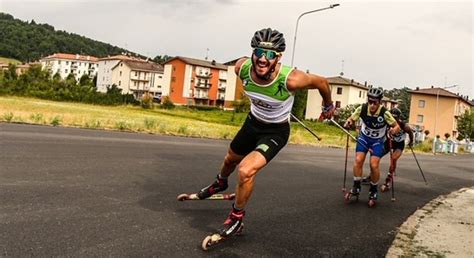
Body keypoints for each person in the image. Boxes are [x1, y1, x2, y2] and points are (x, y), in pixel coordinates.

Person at [195, 28, 335, 237]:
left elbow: (322, 82)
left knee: (246, 170)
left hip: (275, 131)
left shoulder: (292, 79)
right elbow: (244, 65)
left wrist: (328, 105)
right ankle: (220, 182)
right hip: (252, 123)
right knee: (229, 160)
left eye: (269, 55)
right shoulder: (241, 68)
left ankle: (236, 218)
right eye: (259, 52)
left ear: (278, 58)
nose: (262, 59)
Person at [343, 87, 400, 206]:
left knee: (374, 165)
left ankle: (373, 190)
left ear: (380, 102)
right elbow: (351, 119)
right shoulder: (362, 108)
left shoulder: (385, 113)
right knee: (358, 160)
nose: (372, 105)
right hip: (364, 138)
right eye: (370, 102)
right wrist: (348, 122)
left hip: (377, 141)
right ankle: (356, 186)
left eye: (375, 102)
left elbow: (397, 126)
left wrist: (393, 131)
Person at [380, 107, 414, 191]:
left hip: (399, 144)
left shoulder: (403, 125)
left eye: (396, 117)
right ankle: (372, 175)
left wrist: (411, 142)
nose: (394, 119)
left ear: (399, 117)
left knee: (394, 158)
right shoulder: (386, 123)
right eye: (392, 117)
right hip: (389, 142)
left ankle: (388, 179)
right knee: (376, 155)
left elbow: (410, 133)